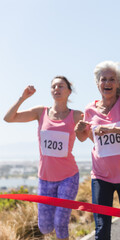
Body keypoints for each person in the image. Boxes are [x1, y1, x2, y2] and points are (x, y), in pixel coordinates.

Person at [3, 76, 83, 240]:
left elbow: (91, 132)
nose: (56, 89)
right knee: (45, 227)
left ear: (69, 91)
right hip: (45, 178)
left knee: (61, 222)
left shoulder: (76, 115)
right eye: (53, 86)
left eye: (61, 86)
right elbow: (8, 118)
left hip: (68, 177)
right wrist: (23, 98)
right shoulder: (41, 112)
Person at [74, 61, 120, 240]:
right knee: (102, 228)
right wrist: (78, 130)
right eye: (103, 79)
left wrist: (114, 129)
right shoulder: (90, 109)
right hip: (101, 176)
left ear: (118, 83)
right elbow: (84, 137)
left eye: (111, 79)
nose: (107, 83)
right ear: (98, 84)